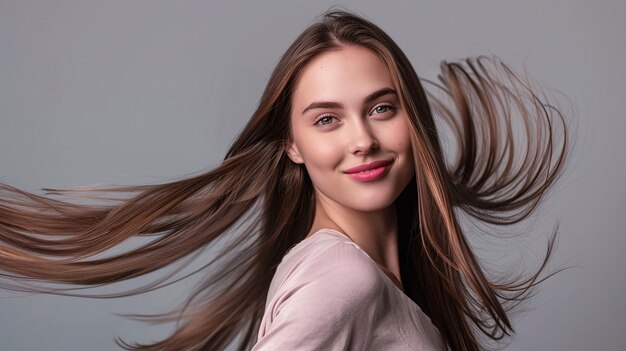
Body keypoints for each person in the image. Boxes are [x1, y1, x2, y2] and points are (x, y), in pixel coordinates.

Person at [0, 8, 570, 351]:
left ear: (413, 120)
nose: (361, 140)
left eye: (380, 108)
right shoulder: (341, 281)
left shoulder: (368, 280)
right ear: (292, 146)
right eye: (327, 119)